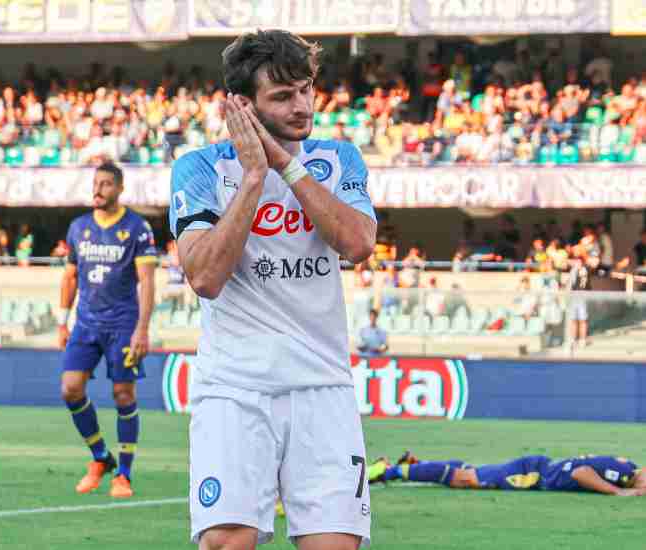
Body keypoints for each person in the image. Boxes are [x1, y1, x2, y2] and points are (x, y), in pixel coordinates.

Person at [169, 30, 376, 550]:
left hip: (323, 387)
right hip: (235, 389)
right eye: (282, 96)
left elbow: (357, 243)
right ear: (242, 104)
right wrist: (255, 178)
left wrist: (286, 164)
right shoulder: (199, 169)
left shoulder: (339, 159)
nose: (302, 105)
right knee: (228, 542)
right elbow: (204, 277)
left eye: (305, 89)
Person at [58, 162, 157, 499]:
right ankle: (101, 457)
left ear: (119, 188)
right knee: (71, 389)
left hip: (123, 325)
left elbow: (147, 282)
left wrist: (142, 330)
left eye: (105, 184)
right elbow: (70, 276)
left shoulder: (137, 228)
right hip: (85, 323)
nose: (98, 190)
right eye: (95, 184)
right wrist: (62, 319)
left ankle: (124, 475)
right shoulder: (79, 227)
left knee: (123, 396)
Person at [368, 451, 646, 496]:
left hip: (539, 469)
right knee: (466, 480)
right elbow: (581, 472)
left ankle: (416, 463)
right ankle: (389, 471)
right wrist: (618, 492)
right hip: (534, 474)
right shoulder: (623, 474)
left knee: (470, 472)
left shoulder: (626, 466)